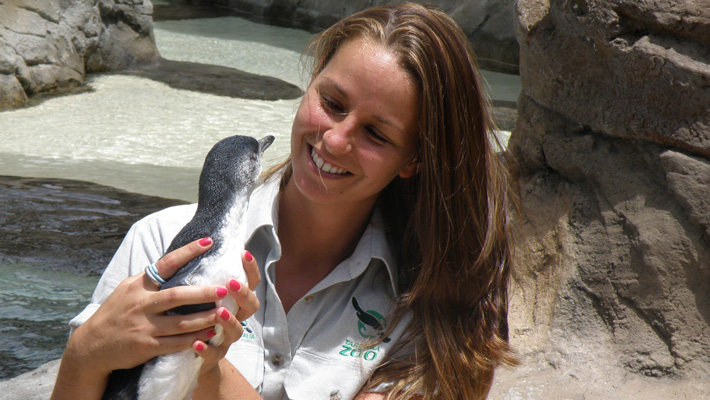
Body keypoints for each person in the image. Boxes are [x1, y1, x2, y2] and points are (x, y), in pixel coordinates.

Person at [51, 3, 516, 399]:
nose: (335, 141)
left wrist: (206, 369)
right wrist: (87, 351)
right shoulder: (159, 243)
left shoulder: (427, 311)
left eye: (375, 133)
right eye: (332, 102)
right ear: (311, 82)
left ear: (413, 160)